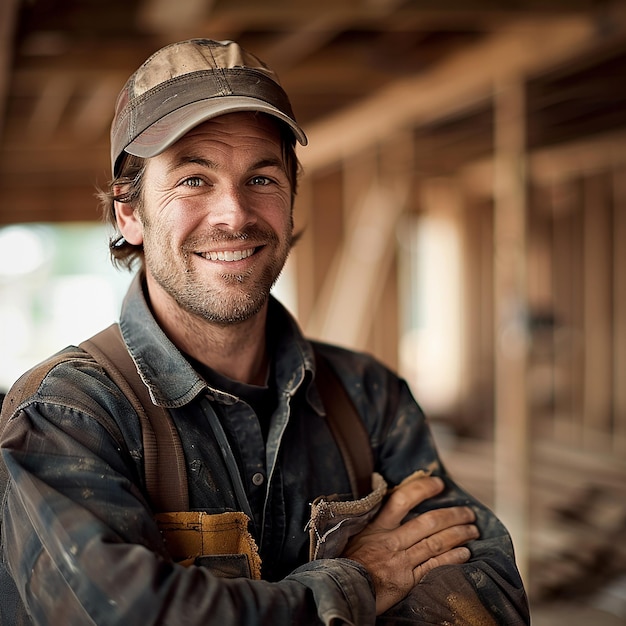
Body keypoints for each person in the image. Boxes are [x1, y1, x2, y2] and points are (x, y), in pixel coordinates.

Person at [0, 38, 529, 625]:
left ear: (292, 198)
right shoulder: (67, 417)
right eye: (194, 180)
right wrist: (357, 583)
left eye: (261, 179)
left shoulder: (368, 397)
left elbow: (484, 590)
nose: (234, 214)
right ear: (130, 213)